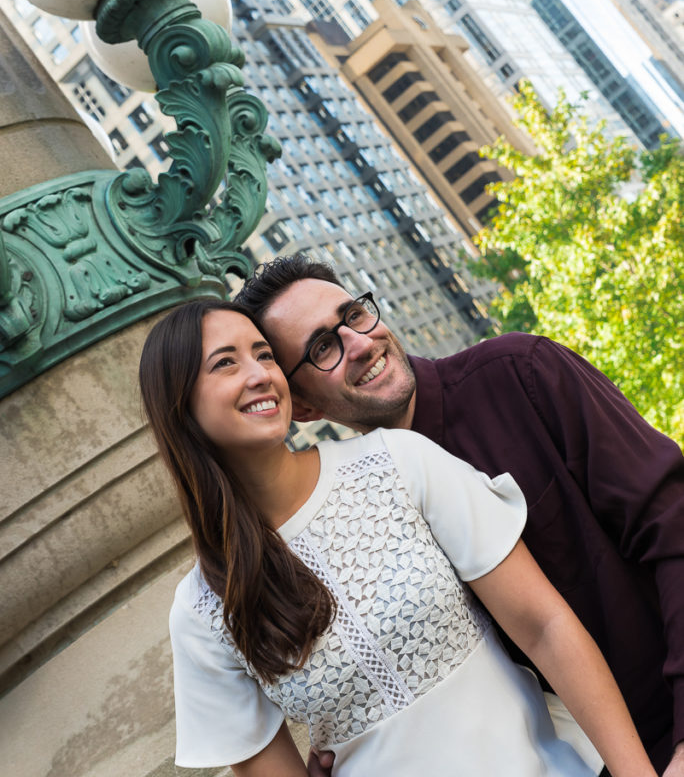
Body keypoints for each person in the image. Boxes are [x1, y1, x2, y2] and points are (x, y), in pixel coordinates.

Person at [140, 298, 657, 777]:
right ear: (179, 406)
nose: (258, 375)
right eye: (226, 363)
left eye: (265, 355)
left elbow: (545, 626)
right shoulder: (202, 611)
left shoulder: (398, 461)